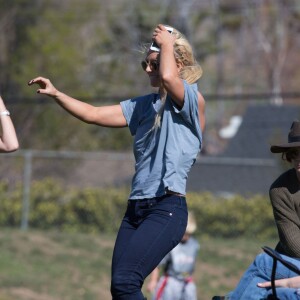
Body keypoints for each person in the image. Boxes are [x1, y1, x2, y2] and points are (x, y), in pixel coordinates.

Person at [28, 24, 205, 300]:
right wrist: (57, 94)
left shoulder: (191, 99)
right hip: (135, 209)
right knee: (119, 288)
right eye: (144, 64)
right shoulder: (143, 106)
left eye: (153, 63)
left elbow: (170, 79)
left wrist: (167, 43)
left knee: (126, 282)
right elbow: (94, 114)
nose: (147, 70)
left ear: (176, 61)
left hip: (166, 207)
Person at [213, 121, 300, 300]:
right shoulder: (281, 189)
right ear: (289, 157)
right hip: (294, 258)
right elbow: (293, 243)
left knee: (263, 264)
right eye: (295, 153)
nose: (299, 159)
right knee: (271, 290)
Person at [147, 211, 200, 300]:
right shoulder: (171, 244)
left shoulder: (194, 245)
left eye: (188, 233)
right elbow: (157, 265)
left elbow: (191, 265)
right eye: (184, 232)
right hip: (171, 282)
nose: (186, 236)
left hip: (186, 282)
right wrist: (153, 281)